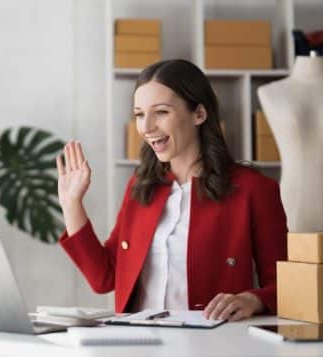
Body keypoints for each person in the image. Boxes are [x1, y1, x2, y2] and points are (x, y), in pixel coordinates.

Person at [56, 59, 288, 321]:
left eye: (161, 112)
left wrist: (253, 299)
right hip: (139, 344)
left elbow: (288, 285)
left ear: (199, 114)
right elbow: (105, 277)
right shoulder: (141, 187)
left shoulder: (253, 189)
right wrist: (72, 204)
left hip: (215, 344)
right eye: (140, 114)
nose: (145, 127)